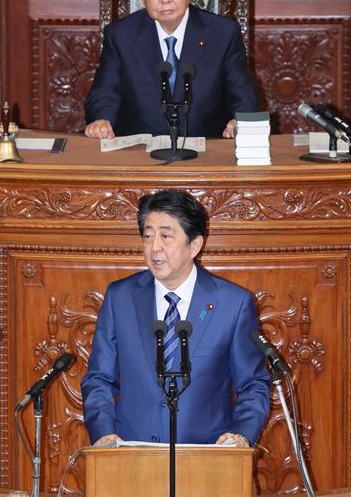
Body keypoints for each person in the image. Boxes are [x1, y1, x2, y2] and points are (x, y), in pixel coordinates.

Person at [81, 189, 270, 448]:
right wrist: (103, 432)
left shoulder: (233, 304)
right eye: (148, 236)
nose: (154, 248)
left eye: (166, 236)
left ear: (194, 245)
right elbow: (99, 378)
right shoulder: (120, 297)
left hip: (207, 457)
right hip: (131, 456)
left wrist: (241, 436)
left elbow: (253, 384)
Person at [84, 0, 258, 141]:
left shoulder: (223, 33)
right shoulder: (121, 35)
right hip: (139, 153)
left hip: (206, 153)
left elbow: (241, 92)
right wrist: (101, 120)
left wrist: (240, 121)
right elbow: (105, 92)